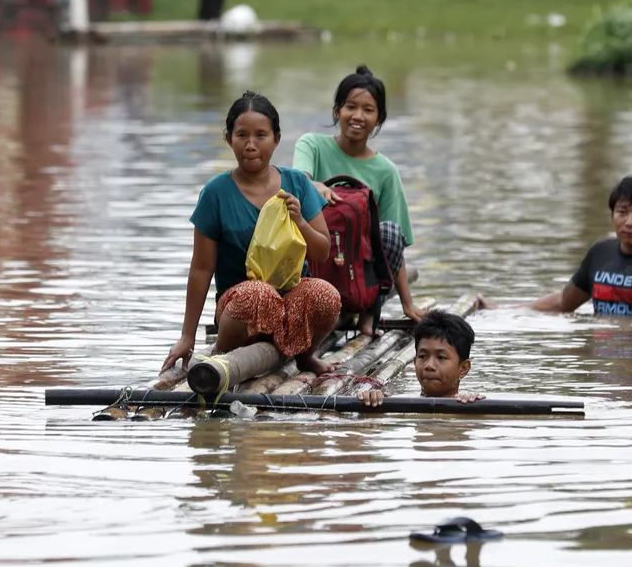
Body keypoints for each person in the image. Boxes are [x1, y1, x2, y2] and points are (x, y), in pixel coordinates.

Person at [162, 91, 342, 376]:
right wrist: (187, 336)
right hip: (241, 305)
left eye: (261, 135)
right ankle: (223, 355)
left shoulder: (297, 183)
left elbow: (322, 251)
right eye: (242, 135)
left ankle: (304, 355)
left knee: (326, 295)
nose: (251, 145)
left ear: (276, 140)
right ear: (228, 139)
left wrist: (300, 223)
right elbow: (201, 268)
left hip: (291, 299)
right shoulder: (215, 193)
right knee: (260, 295)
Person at [292, 64, 426, 337]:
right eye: (350, 107)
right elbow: (298, 183)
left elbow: (394, 246)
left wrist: (407, 304)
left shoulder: (385, 170)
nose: (357, 116)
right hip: (316, 262)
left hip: (360, 275)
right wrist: (316, 186)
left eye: (368, 110)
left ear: (379, 119)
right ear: (337, 110)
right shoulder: (312, 146)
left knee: (389, 231)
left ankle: (368, 315)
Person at [529, 175, 632, 325]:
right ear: (612, 214)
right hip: (601, 346)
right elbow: (563, 303)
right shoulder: (600, 252)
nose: (629, 222)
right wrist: (514, 312)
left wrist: (620, 341)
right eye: (622, 212)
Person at [357, 310, 486, 406]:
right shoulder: (394, 404)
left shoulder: (472, 406)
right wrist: (372, 403)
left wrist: (474, 407)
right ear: (414, 362)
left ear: (463, 368)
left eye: (441, 357)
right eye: (423, 356)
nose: (429, 365)